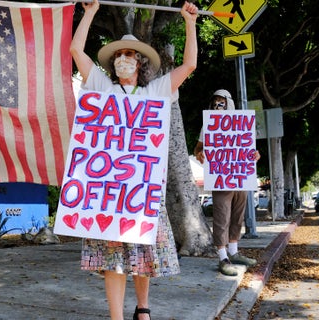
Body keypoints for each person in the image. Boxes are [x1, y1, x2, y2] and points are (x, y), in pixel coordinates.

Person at [69, 0, 198, 319]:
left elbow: (189, 66)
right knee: (113, 257)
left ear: (140, 62)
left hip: (143, 191)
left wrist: (190, 23)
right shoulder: (101, 86)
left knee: (143, 253)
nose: (124, 59)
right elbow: (76, 51)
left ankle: (143, 309)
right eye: (118, 56)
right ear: (113, 64)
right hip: (110, 192)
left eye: (130, 55)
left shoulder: (155, 91)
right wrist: (88, 14)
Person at [194, 89, 259, 276]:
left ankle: (234, 251)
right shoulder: (208, 125)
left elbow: (250, 149)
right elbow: (198, 148)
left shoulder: (242, 124)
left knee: (238, 216)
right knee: (222, 216)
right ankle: (222, 257)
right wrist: (201, 154)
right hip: (221, 177)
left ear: (229, 103)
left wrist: (255, 155)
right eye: (214, 102)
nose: (217, 105)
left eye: (221, 102)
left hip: (240, 177)